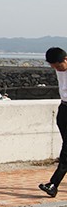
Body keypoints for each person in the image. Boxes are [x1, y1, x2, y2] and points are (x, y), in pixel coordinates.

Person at [39, 47, 67, 198]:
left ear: (65, 59)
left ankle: (53, 184)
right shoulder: (59, 68)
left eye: (58, 66)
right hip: (63, 109)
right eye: (53, 67)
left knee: (66, 150)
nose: (57, 69)